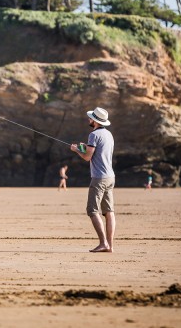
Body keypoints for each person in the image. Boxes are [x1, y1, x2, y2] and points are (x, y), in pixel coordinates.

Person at [70, 106, 116, 253]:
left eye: (90, 118)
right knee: (109, 211)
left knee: (92, 210)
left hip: (99, 178)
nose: (89, 120)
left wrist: (76, 150)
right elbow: (97, 152)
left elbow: (88, 157)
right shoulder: (108, 134)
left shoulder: (93, 135)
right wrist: (85, 147)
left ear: (94, 121)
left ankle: (103, 243)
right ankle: (110, 245)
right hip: (110, 177)